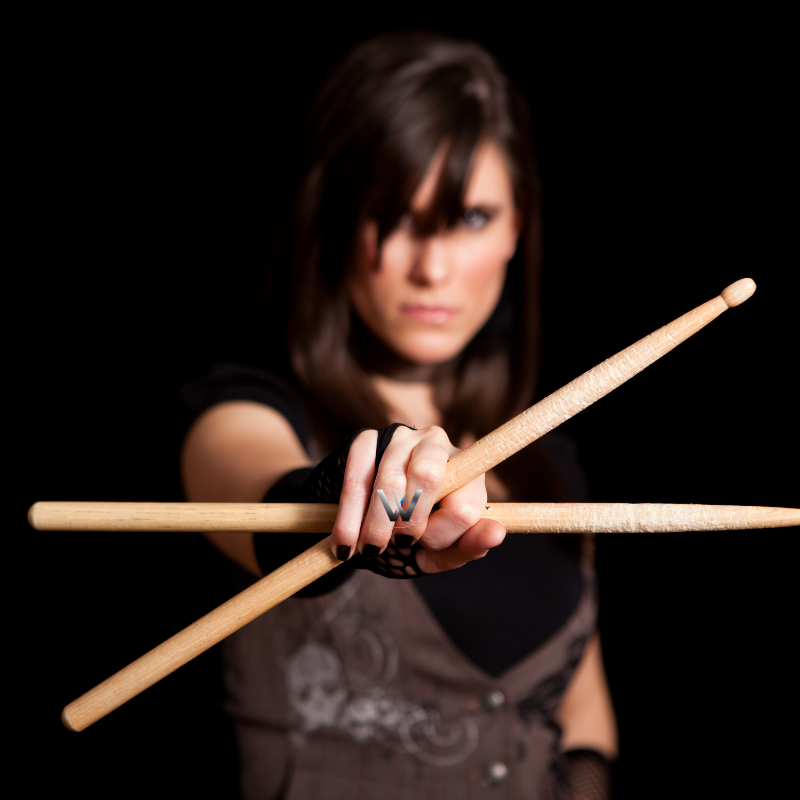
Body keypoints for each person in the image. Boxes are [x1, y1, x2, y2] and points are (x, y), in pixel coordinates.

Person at [181, 30, 617, 799]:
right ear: (335, 222)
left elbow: (582, 712)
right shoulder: (243, 408)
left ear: (517, 227)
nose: (433, 266)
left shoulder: (552, 458)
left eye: (472, 218)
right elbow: (263, 500)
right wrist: (357, 483)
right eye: (393, 215)